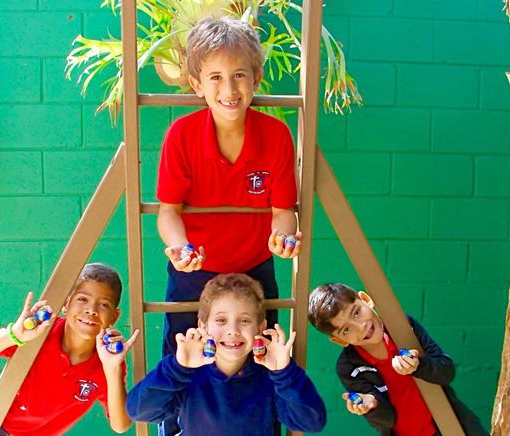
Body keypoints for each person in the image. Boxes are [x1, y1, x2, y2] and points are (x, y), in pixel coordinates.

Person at [156, 16, 301, 359]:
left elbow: (283, 212)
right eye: (216, 77)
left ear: (256, 78)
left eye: (239, 75)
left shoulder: (277, 135)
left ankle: (264, 414)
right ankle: (173, 416)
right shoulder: (181, 135)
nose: (229, 90)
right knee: (184, 359)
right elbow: (168, 212)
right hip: (195, 271)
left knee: (261, 361)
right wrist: (181, 248)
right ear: (196, 84)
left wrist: (283, 239)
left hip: (254, 269)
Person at [0, 263, 139, 436]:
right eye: (82, 299)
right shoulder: (41, 331)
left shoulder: (108, 360)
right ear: (66, 304)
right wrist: (13, 334)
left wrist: (112, 369)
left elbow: (120, 426)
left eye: (103, 304)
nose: (91, 310)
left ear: (114, 317)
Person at [125, 273, 326, 436]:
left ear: (260, 328)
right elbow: (139, 411)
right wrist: (177, 368)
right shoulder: (187, 374)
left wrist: (285, 372)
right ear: (203, 326)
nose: (233, 330)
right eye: (221, 320)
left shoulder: (272, 376)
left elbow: (312, 423)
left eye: (244, 321)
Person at [307, 283, 489, 436]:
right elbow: (387, 420)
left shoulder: (403, 327)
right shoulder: (349, 367)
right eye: (346, 330)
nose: (360, 327)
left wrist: (419, 366)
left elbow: (446, 372)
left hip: (453, 427)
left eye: (356, 312)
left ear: (367, 300)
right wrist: (372, 405)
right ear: (339, 340)